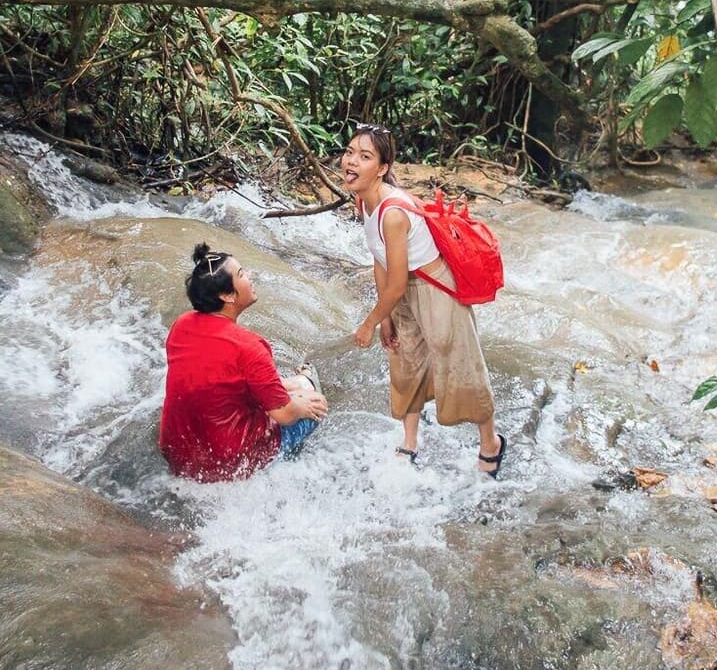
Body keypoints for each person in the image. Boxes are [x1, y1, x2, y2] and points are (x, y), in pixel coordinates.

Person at [341, 123, 504, 477]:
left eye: (364, 156)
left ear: (382, 168)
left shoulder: (393, 212)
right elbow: (380, 258)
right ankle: (410, 441)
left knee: (458, 358)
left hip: (434, 285)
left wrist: (369, 322)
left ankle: (491, 442)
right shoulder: (365, 200)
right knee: (405, 357)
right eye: (350, 152)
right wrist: (386, 318)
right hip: (402, 287)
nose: (352, 162)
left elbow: (397, 282)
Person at [159, 242, 329, 481]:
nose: (250, 276)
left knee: (290, 389)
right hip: (229, 462)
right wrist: (303, 404)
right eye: (242, 274)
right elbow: (284, 415)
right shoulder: (249, 346)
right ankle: (281, 468)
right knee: (315, 403)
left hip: (179, 453)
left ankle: (294, 385)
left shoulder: (182, 324)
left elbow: (220, 377)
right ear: (227, 295)